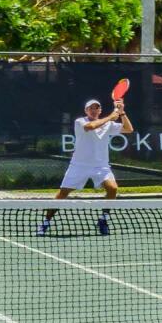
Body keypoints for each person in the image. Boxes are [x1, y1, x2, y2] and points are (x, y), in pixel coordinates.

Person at [38, 93, 130, 235]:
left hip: (101, 166)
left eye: (96, 108)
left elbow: (129, 129)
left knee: (112, 189)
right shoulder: (80, 122)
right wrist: (111, 116)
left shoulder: (109, 125)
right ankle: (46, 222)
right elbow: (91, 126)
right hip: (79, 165)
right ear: (86, 111)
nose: (94, 110)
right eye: (91, 108)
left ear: (100, 111)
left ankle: (103, 219)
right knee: (62, 194)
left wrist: (122, 113)